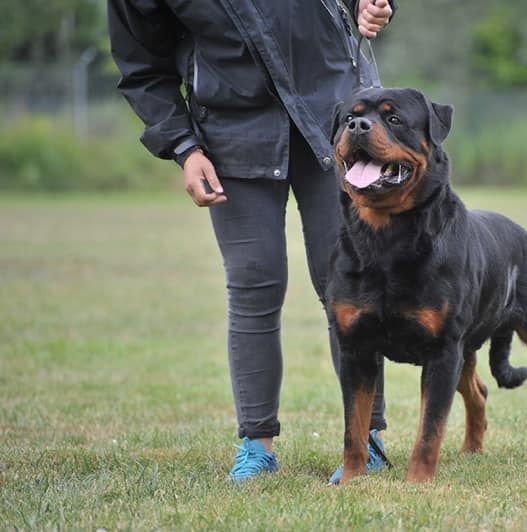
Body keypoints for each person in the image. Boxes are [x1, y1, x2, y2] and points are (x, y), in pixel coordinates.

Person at [107, 0, 395, 482]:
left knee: (347, 285)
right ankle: (256, 448)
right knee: (254, 285)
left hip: (336, 117)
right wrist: (185, 146)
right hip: (230, 131)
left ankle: (365, 440)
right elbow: (141, 66)